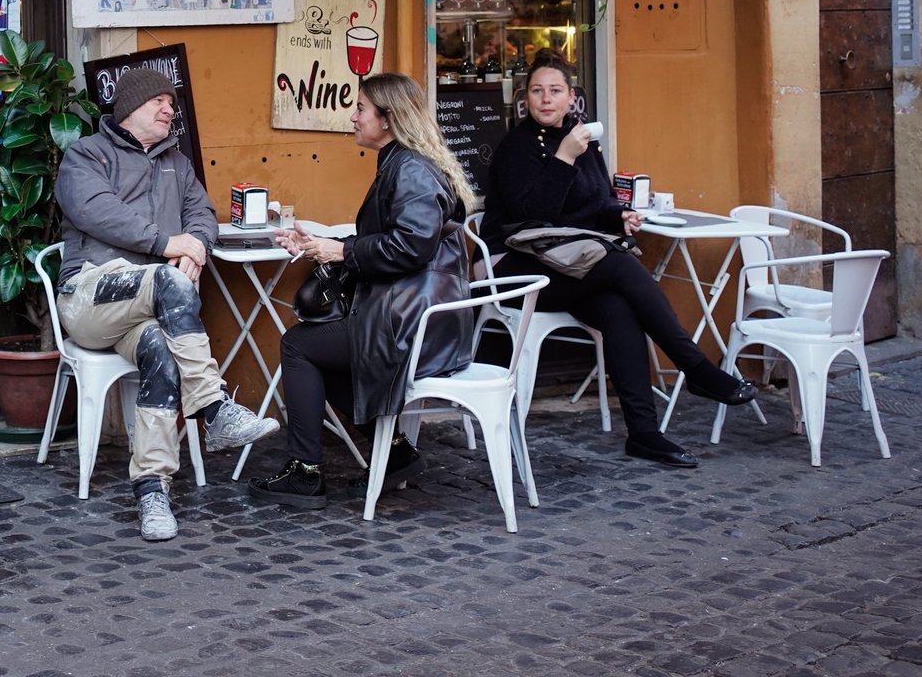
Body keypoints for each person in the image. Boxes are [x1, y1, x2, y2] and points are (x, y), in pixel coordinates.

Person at [480, 52, 758, 468]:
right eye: (537, 91)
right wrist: (564, 158)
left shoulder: (581, 139)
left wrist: (618, 215)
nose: (546, 99)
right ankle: (695, 366)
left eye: (555, 90)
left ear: (571, 97)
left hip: (565, 263)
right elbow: (533, 216)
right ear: (526, 98)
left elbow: (599, 200)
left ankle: (644, 433)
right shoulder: (516, 147)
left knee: (618, 308)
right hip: (516, 267)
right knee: (618, 264)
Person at [54, 67, 279, 541]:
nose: (168, 109)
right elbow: (96, 211)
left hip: (147, 308)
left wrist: (194, 247)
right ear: (129, 107)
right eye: (158, 100)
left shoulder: (177, 161)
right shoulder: (86, 155)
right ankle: (213, 406)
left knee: (161, 347)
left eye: (171, 103)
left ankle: (152, 489)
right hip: (90, 296)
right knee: (167, 279)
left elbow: (202, 214)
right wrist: (167, 244)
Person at [249, 72, 476, 508]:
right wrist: (320, 243)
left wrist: (340, 251)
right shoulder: (404, 162)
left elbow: (409, 246)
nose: (352, 117)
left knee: (299, 345)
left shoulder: (410, 169)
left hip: (412, 326)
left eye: (360, 109)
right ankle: (394, 452)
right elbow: (390, 239)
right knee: (321, 351)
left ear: (387, 119)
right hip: (417, 318)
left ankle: (305, 473)